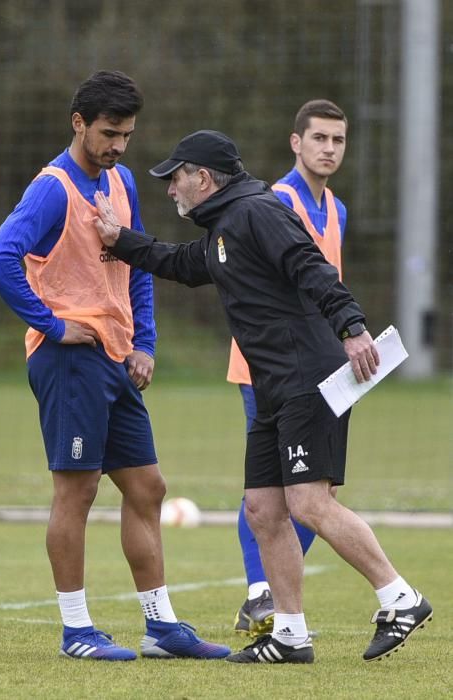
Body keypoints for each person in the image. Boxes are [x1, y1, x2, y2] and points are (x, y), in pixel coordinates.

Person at [93, 129, 432, 665]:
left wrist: (351, 325)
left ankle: (400, 597)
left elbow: (308, 263)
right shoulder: (225, 226)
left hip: (307, 379)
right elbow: (182, 263)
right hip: (273, 385)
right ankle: (291, 634)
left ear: (203, 179)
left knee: (308, 502)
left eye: (175, 178)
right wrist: (121, 239)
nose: (170, 189)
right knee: (263, 508)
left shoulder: (256, 211)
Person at [0, 72, 230, 662]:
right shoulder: (52, 189)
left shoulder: (120, 182)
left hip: (115, 358)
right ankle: (76, 630)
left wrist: (144, 341)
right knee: (78, 490)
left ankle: (160, 626)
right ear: (78, 124)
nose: (119, 146)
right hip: (70, 359)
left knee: (147, 487)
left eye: (127, 135)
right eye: (109, 133)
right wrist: (49, 322)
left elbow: (136, 263)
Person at [227, 99, 348, 638]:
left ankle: (272, 598)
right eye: (318, 138)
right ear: (295, 142)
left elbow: (327, 284)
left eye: (337, 140)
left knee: (317, 493)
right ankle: (262, 594)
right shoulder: (275, 202)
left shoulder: (336, 209)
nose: (328, 148)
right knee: (272, 490)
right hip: (270, 366)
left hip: (320, 365)